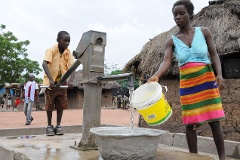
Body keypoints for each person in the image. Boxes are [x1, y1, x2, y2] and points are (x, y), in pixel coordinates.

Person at [148, 1, 225, 159]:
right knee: (190, 123)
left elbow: (214, 54)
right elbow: (166, 61)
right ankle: (193, 157)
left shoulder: (204, 32)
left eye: (181, 13)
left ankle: (222, 157)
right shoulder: (171, 41)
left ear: (190, 14)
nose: (178, 17)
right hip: (188, 84)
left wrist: (219, 74)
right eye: (175, 14)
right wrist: (156, 75)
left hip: (207, 80)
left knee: (214, 120)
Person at [42, 31, 75, 136]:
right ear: (58, 40)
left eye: (68, 41)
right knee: (50, 105)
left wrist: (71, 81)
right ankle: (49, 126)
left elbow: (73, 68)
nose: (67, 43)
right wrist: (51, 80)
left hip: (62, 82)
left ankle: (58, 125)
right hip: (51, 83)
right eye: (65, 40)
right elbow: (44, 64)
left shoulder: (68, 53)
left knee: (61, 105)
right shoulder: (51, 50)